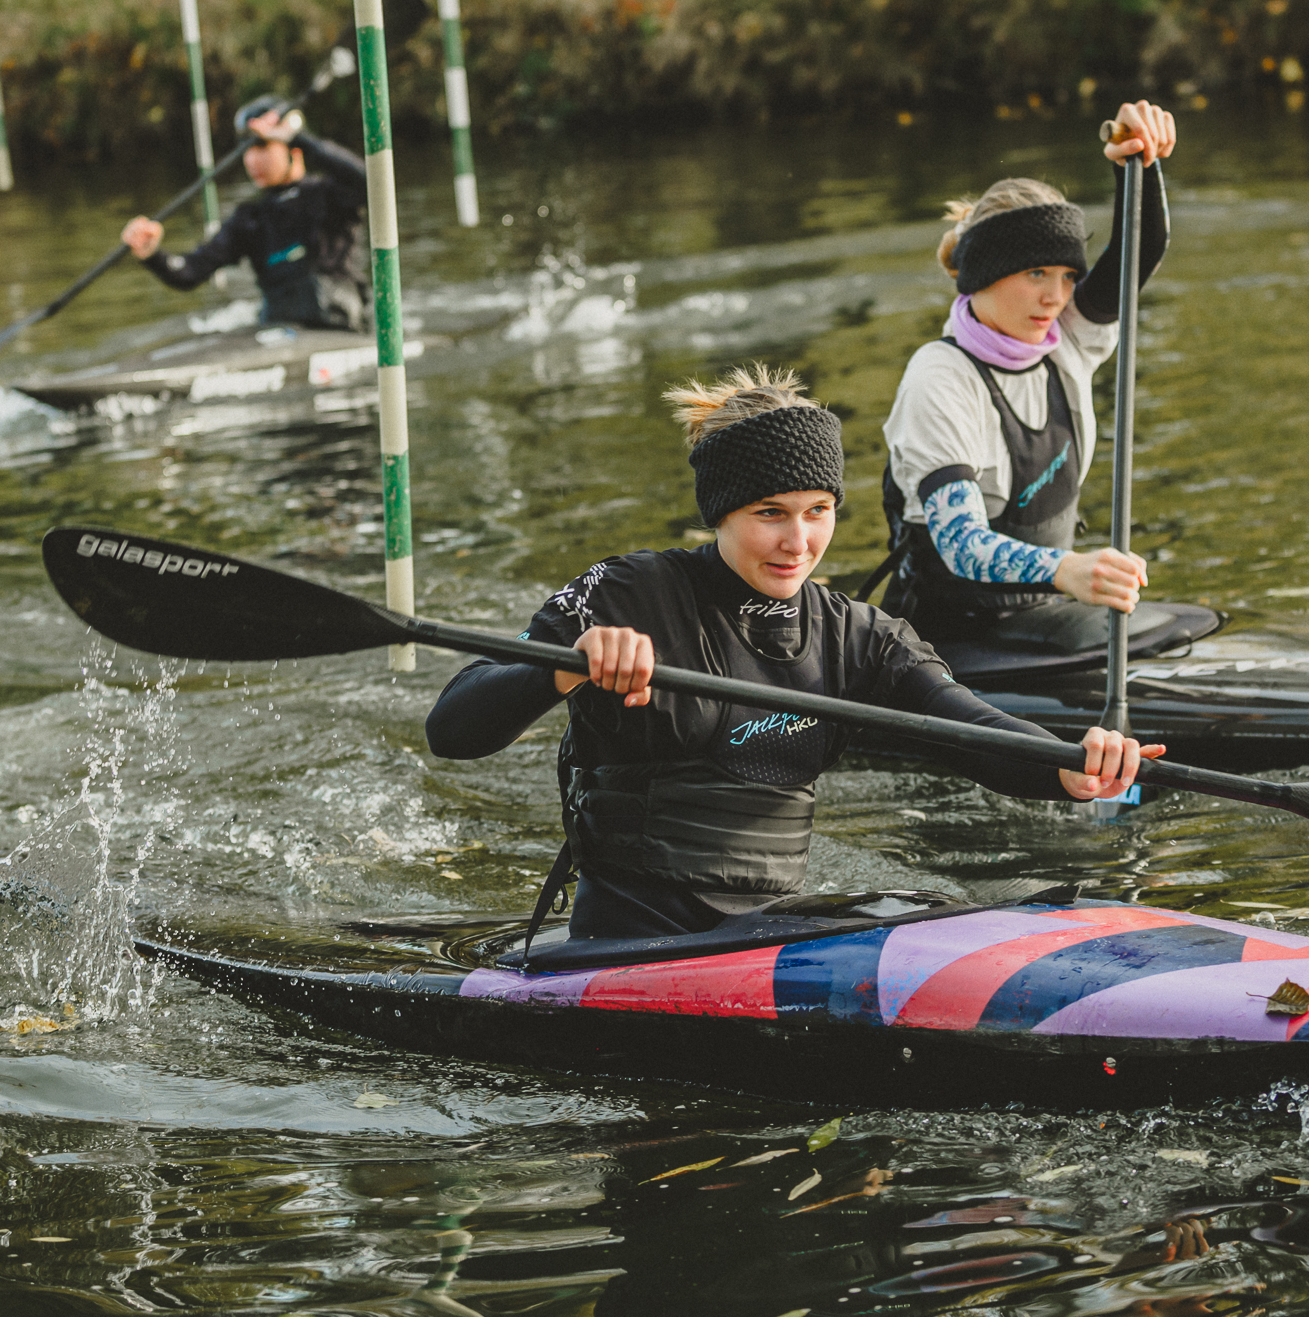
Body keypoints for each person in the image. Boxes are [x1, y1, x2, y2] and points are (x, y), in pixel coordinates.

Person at [424, 364, 1159, 943]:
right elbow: (453, 726)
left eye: (818, 512)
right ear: (721, 512)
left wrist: (1069, 766)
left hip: (765, 937)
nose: (798, 542)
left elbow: (968, 726)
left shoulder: (856, 636)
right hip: (629, 943)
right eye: (769, 514)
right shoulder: (628, 593)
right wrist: (563, 666)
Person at [877, 101, 1179, 646]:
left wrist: (1138, 160)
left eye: (1067, 276)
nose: (1055, 297)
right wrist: (1067, 569)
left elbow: (1141, 251)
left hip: (1043, 620)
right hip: (941, 644)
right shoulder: (940, 377)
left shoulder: (1066, 339)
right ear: (984, 276)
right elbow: (961, 542)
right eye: (1036, 273)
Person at [119, 96, 370, 332]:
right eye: (245, 150)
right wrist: (153, 255)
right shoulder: (249, 218)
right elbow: (191, 271)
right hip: (278, 327)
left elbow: (372, 182)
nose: (251, 159)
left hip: (339, 324)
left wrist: (298, 137)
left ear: (293, 148)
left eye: (261, 146)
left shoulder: (331, 195)